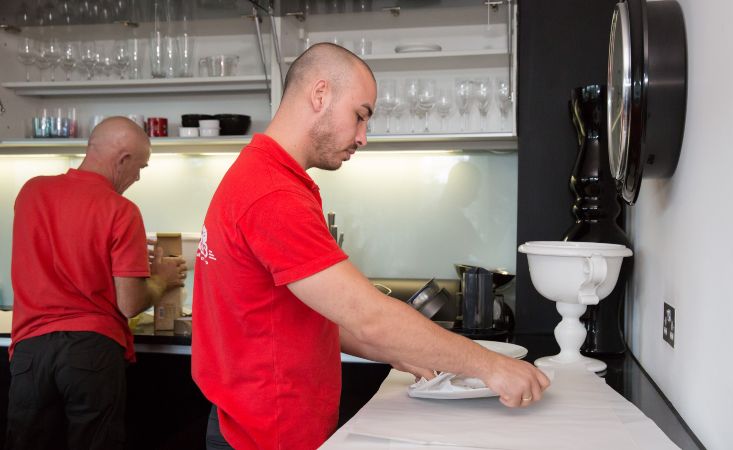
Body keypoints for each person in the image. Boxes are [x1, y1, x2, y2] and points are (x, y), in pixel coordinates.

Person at [192, 43, 550, 450]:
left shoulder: (260, 174)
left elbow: (315, 315)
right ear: (320, 94)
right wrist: (492, 366)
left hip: (253, 424)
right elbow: (368, 316)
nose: (363, 137)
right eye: (360, 115)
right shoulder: (273, 194)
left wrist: (395, 350)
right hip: (265, 435)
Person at [6, 116, 187, 450]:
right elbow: (129, 303)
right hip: (90, 352)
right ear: (122, 160)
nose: (137, 177)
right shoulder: (121, 210)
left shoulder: (31, 192)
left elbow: (67, 255)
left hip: (31, 351)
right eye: (140, 167)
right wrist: (160, 280)